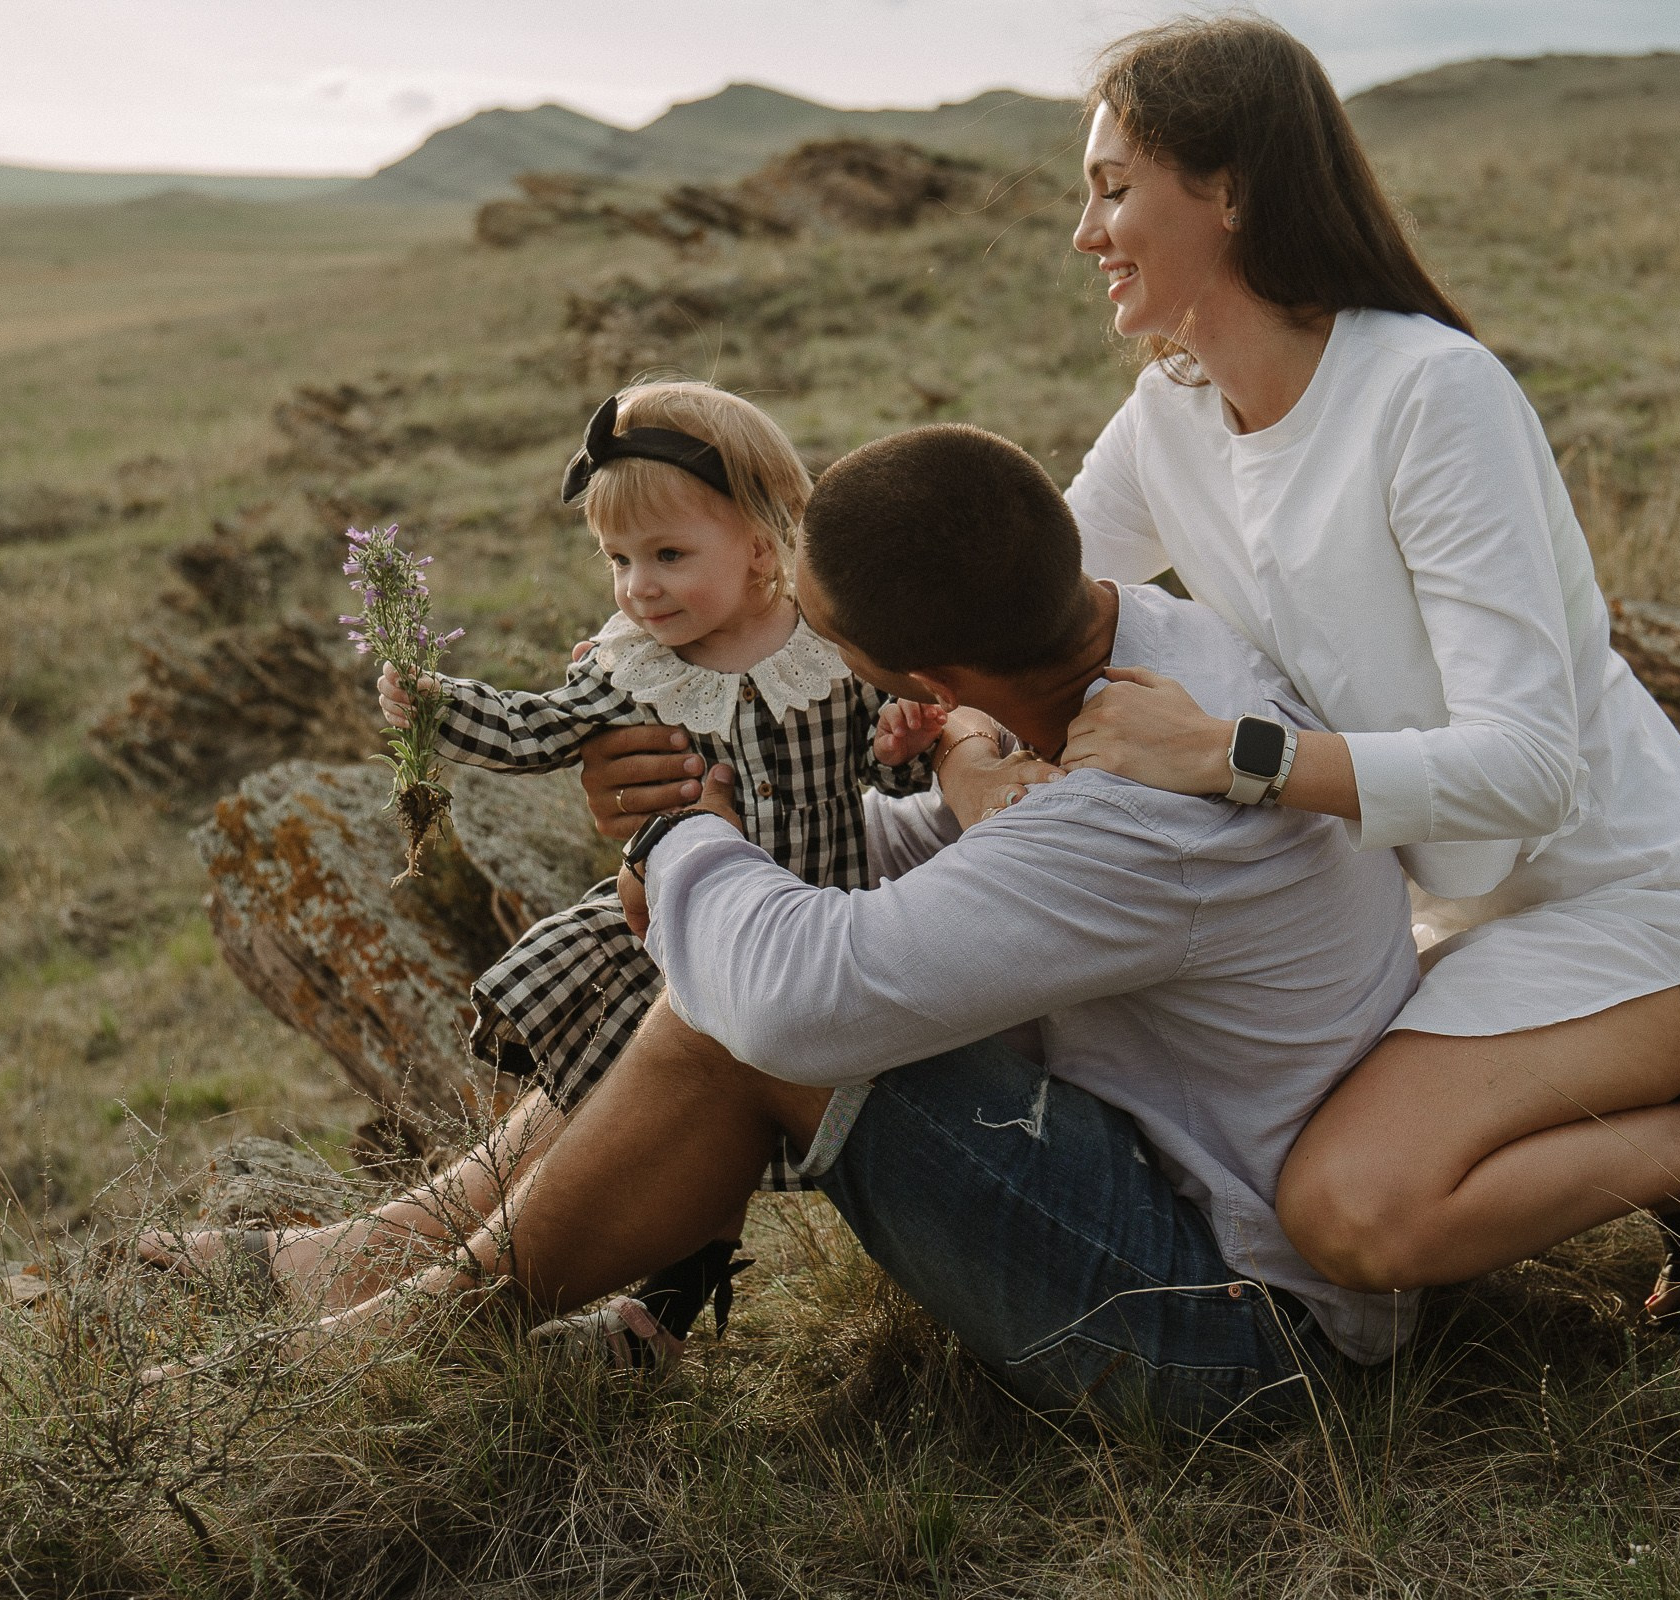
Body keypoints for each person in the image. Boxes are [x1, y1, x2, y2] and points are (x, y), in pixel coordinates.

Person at [169, 424, 1430, 1430]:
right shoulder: (1146, 652)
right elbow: (924, 861)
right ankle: (382, 1251)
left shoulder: (1131, 810)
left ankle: (417, 1331)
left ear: (921, 684)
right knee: (743, 931)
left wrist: (682, 840)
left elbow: (794, 992)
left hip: (1237, 1332)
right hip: (1193, 1189)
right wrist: (717, 848)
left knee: (760, 1001)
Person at [1049, 17, 1680, 1307]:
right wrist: (951, 721)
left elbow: (1531, 768)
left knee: (1351, 1212)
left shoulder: (1430, 392)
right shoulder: (1173, 413)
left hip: (1639, 905)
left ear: (1233, 189)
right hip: (1443, 919)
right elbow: (1031, 600)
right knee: (1282, 1170)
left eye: (1112, 189)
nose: (1086, 233)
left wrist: (1227, 756)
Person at [139, 380, 943, 1328]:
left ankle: (567, 1301)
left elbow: (894, 789)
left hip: (815, 930)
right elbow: (536, 730)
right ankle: (608, 1307)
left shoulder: (830, 659)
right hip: (680, 927)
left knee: (690, 1086)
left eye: (670, 555)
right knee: (624, 1078)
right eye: (619, 559)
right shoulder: (639, 667)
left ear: (761, 549)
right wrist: (439, 705)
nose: (638, 585)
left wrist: (905, 743)